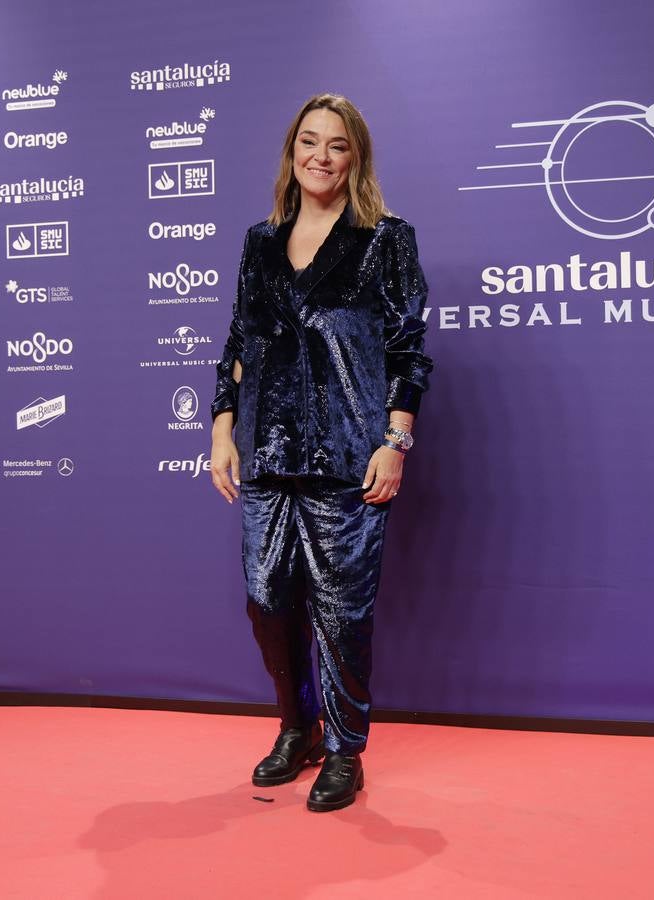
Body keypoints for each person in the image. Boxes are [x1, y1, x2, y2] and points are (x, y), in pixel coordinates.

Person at [208, 93, 434, 812]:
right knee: (266, 600)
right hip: (269, 452)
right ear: (291, 152)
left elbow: (407, 349)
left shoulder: (383, 238)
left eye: (336, 145)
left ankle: (344, 748)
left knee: (341, 611)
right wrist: (220, 429)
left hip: (346, 453)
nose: (320, 156)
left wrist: (394, 439)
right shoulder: (259, 241)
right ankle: (296, 725)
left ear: (355, 156)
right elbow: (240, 342)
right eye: (309, 141)